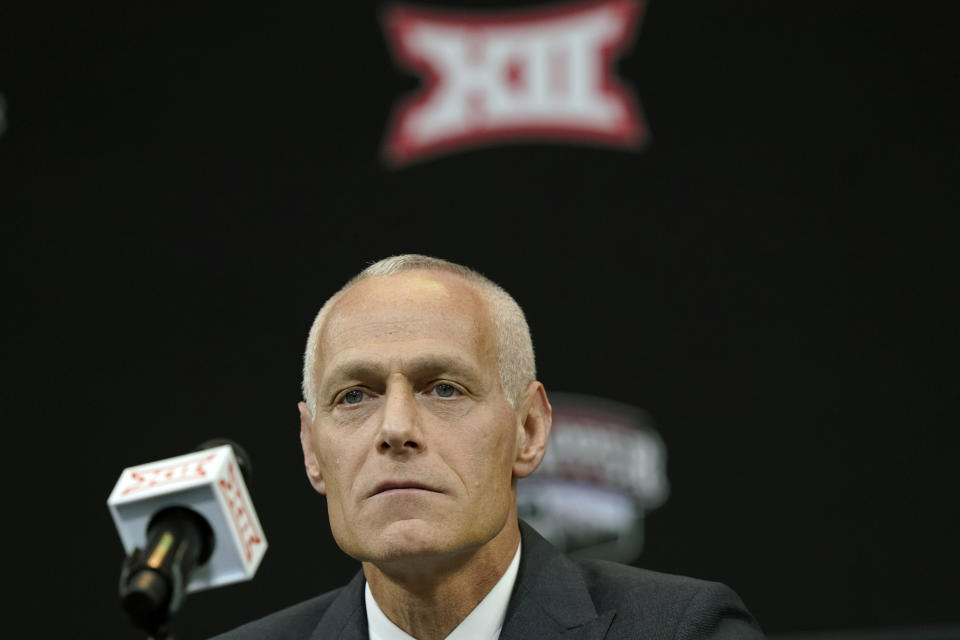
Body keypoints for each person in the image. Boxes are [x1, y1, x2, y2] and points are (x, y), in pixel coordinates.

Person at [212, 254, 765, 640]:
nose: (395, 427)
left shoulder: (680, 630)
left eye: (444, 388)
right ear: (312, 450)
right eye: (355, 395)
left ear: (528, 431)